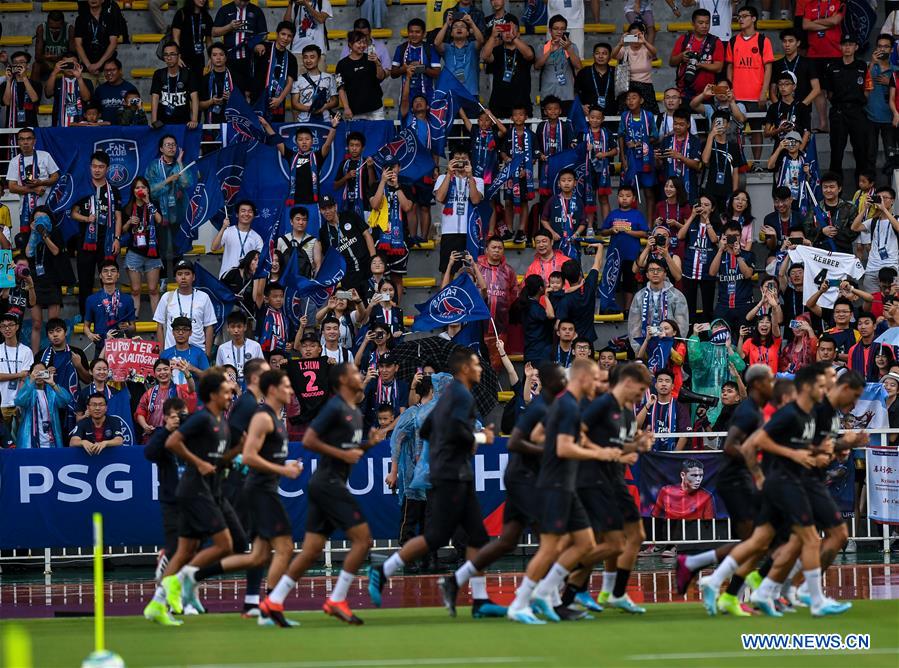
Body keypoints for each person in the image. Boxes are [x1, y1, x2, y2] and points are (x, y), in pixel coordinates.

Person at [368, 350, 497, 613]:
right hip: (450, 474)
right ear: (463, 370)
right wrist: (483, 439)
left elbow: (428, 431)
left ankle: (478, 599)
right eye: (475, 364)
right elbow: (461, 437)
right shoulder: (460, 397)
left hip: (451, 472)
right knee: (438, 536)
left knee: (476, 537)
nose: (480, 369)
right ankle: (384, 569)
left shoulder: (447, 399)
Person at [261, 363, 381, 626]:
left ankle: (274, 600)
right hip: (328, 484)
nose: (359, 376)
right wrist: (344, 454)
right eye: (353, 373)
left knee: (311, 550)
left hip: (326, 483)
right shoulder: (335, 407)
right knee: (363, 541)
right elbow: (309, 440)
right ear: (342, 381)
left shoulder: (354, 412)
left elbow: (349, 450)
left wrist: (368, 445)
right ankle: (337, 599)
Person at [673, 363, 773, 613]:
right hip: (735, 480)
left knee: (755, 541)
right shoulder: (747, 411)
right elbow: (729, 445)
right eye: (769, 380)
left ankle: (710, 576)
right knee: (755, 541)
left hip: (740, 479)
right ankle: (728, 590)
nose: (773, 384)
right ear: (759, 384)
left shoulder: (755, 409)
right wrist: (754, 463)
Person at [144, 371, 236, 626]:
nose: (231, 394)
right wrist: (197, 461)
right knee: (219, 546)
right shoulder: (195, 424)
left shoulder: (210, 425)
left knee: (188, 550)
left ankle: (161, 603)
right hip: (185, 495)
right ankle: (176, 586)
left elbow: (214, 457)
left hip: (198, 492)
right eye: (226, 390)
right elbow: (162, 447)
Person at [70, 151, 122, 318]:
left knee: (108, 279)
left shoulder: (113, 190)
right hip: (86, 241)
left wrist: (117, 238)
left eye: (101, 167)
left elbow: (118, 217)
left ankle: (108, 314)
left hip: (106, 242)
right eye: (94, 166)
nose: (97, 170)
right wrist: (87, 218)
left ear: (107, 168)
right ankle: (85, 316)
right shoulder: (82, 188)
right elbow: (73, 213)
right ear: (90, 167)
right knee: (85, 281)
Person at [144, 397, 187, 589]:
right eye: (173, 416)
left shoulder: (193, 434)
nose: (178, 419)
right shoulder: (162, 438)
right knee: (175, 544)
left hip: (194, 499)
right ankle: (168, 590)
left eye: (182, 415)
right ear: (166, 418)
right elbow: (150, 453)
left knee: (193, 546)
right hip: (171, 500)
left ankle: (185, 591)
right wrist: (167, 430)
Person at [725, 6, 774, 164]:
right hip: (738, 95)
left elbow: (768, 67)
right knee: (737, 130)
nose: (740, 19)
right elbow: (730, 66)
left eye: (744, 16)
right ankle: (740, 163)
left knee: (756, 130)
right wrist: (731, 86)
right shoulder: (733, 41)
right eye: (739, 16)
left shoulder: (763, 40)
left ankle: (757, 163)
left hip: (756, 95)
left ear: (753, 19)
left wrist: (763, 92)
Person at [824, 36, 870, 179]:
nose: (847, 47)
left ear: (856, 47)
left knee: (861, 150)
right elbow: (829, 93)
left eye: (851, 44)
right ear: (840, 47)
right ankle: (835, 188)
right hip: (839, 111)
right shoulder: (832, 66)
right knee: (836, 151)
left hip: (857, 111)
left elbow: (867, 89)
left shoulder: (862, 66)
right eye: (844, 44)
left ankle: (862, 189)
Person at [434, 149, 485, 273]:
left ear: (469, 161)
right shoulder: (442, 178)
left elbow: (475, 200)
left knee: (472, 271)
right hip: (449, 232)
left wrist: (470, 176)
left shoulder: (477, 180)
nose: (460, 161)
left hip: (469, 232)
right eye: (457, 158)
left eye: (464, 158)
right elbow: (440, 197)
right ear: (451, 161)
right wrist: (449, 174)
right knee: (447, 271)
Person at [599, 184, 648, 312]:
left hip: (631, 255)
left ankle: (627, 310)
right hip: (614, 254)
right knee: (611, 280)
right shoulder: (613, 214)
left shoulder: (637, 214)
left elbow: (644, 233)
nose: (624, 198)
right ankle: (608, 307)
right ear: (617, 198)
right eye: (621, 196)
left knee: (629, 282)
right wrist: (611, 230)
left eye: (628, 196)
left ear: (633, 198)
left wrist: (628, 231)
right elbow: (603, 232)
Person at [153, 260, 217, 358]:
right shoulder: (167, 297)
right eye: (179, 274)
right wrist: (162, 351)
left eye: (187, 274)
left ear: (194, 277)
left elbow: (209, 326)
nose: (183, 277)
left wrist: (207, 353)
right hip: (172, 353)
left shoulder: (204, 297)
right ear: (175, 277)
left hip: (198, 352)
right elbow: (160, 326)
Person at [120, 177, 163, 318]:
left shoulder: (153, 204)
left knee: (153, 289)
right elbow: (121, 230)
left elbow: (160, 220)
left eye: (143, 187)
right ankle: (134, 320)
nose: (140, 190)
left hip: (152, 252)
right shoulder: (128, 207)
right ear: (133, 191)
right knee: (135, 290)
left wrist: (148, 203)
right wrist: (129, 222)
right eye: (137, 187)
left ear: (148, 190)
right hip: (134, 252)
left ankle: (157, 322)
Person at [5, 128, 59, 237]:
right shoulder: (14, 161)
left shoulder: (45, 156)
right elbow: (12, 187)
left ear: (34, 141)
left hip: (46, 207)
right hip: (25, 210)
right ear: (18, 141)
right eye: (22, 139)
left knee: (47, 238)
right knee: (26, 239)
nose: (25, 142)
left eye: (29, 138)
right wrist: (34, 189)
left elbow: (55, 176)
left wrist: (40, 182)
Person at [628, 257, 689, 352]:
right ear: (647, 275)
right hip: (645, 345)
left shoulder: (677, 295)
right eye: (651, 270)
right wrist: (638, 349)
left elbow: (682, 325)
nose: (655, 273)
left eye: (659, 270)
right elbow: (634, 325)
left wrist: (674, 347)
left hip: (670, 347)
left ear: (665, 274)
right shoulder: (639, 296)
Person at [482, 16, 535, 118]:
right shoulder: (497, 50)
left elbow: (529, 55)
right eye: (505, 29)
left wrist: (514, 38)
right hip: (499, 105)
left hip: (521, 104)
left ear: (518, 33)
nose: (508, 32)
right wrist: (493, 36)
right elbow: (485, 56)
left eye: (511, 29)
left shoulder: (525, 48)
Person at [617, 87, 659, 216]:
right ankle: (631, 222)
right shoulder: (625, 116)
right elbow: (621, 136)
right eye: (628, 98)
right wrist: (623, 159)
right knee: (629, 192)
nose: (630, 101)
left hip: (646, 158)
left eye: (634, 98)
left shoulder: (648, 116)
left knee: (648, 192)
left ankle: (649, 225)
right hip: (631, 158)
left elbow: (655, 136)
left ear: (641, 100)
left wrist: (642, 142)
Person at [850, 187, 899, 294]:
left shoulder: (897, 219)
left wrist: (884, 209)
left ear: (892, 201)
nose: (881, 200)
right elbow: (854, 227)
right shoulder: (873, 221)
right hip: (872, 268)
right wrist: (864, 208)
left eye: (885, 198)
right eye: (878, 197)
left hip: (891, 268)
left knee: (892, 300)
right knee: (873, 301)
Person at [135, 358, 196, 442]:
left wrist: (186, 372)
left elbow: (191, 389)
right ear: (155, 374)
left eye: (165, 369)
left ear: (171, 372)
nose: (162, 372)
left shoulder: (179, 389)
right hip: (153, 437)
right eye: (159, 370)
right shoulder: (149, 393)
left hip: (174, 436)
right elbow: (140, 412)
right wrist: (145, 426)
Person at [83, 260, 136, 356]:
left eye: (113, 271)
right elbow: (86, 326)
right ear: (100, 275)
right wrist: (90, 334)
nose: (109, 274)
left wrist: (128, 327)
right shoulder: (91, 299)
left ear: (118, 275)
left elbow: (133, 327)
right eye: (105, 271)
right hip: (101, 346)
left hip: (122, 348)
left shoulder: (127, 299)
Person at [13, 361, 72, 448]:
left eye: (42, 372)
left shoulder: (51, 392)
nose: (40, 375)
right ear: (31, 374)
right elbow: (19, 401)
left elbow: (66, 400)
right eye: (37, 372)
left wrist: (53, 384)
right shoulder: (28, 390)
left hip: (50, 440)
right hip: (30, 441)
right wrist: (31, 381)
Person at [669, 9, 724, 100]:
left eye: (707, 23)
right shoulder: (684, 39)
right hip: (684, 92)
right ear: (693, 24)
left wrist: (701, 65)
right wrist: (681, 56)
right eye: (701, 23)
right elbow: (672, 62)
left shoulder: (715, 41)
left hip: (707, 93)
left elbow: (718, 68)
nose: (704, 26)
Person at [211, 0, 268, 85]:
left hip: (250, 59)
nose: (242, 3)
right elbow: (214, 32)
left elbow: (263, 34)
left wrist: (257, 44)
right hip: (230, 58)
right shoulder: (225, 9)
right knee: (232, 89)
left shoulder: (256, 10)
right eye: (240, 0)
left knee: (250, 91)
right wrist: (229, 27)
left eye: (245, 1)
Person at [802, 171, 858, 254]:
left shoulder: (850, 208)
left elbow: (855, 231)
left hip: (843, 253)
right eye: (825, 187)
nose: (828, 190)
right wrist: (822, 232)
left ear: (839, 189)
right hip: (820, 254)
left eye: (832, 187)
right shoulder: (815, 209)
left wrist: (836, 232)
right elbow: (807, 230)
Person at [700, 110, 745, 213]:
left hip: (727, 190)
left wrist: (734, 194)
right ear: (712, 124)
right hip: (710, 190)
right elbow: (705, 160)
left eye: (723, 122)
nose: (720, 125)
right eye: (716, 122)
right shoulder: (706, 144)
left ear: (728, 125)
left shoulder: (734, 147)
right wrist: (711, 136)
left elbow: (735, 172)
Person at [336, 30, 387, 120]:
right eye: (359, 42)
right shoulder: (341, 64)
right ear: (350, 44)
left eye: (364, 42)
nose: (362, 45)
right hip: (354, 110)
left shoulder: (372, 59)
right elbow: (340, 88)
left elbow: (381, 77)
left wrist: (378, 63)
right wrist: (346, 108)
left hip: (376, 108)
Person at [534, 15, 581, 113]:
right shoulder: (543, 47)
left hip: (567, 94)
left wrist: (568, 49)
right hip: (548, 94)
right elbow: (537, 66)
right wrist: (550, 51)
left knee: (567, 126)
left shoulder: (571, 46)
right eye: (556, 29)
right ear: (550, 31)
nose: (559, 32)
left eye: (562, 29)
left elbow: (578, 66)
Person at [254, 22, 298, 123]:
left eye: (289, 36)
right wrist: (256, 47)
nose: (285, 38)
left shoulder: (291, 58)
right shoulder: (265, 47)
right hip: (259, 99)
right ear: (277, 34)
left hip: (277, 102)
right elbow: (252, 47)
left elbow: (290, 82)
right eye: (283, 34)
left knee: (275, 132)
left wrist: (280, 99)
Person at [611, 23, 659, 116]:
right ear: (628, 36)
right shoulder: (625, 50)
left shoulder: (646, 49)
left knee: (648, 116)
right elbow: (613, 55)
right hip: (628, 87)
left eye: (637, 36)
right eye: (632, 36)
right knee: (626, 116)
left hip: (646, 87)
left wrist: (644, 41)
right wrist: (620, 43)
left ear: (642, 35)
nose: (635, 38)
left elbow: (654, 52)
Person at [770, 28, 821, 114]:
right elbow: (772, 91)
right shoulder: (776, 64)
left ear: (798, 43)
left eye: (791, 41)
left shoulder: (808, 63)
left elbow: (816, 89)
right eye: (784, 41)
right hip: (782, 112)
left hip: (803, 110)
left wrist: (802, 106)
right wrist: (778, 107)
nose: (787, 44)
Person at [391, 19, 441, 105]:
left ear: (424, 34)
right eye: (411, 32)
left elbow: (437, 73)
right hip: (407, 96)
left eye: (417, 32)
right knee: (406, 118)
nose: (414, 35)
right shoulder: (401, 48)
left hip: (428, 96)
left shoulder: (430, 49)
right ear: (407, 32)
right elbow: (393, 74)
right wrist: (404, 69)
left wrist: (422, 68)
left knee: (427, 118)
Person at [150, 42, 199, 128]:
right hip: (162, 123)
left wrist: (194, 119)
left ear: (179, 56)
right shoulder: (158, 74)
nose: (169, 57)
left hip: (183, 123)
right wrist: (154, 121)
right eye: (166, 55)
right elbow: (155, 97)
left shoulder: (188, 73)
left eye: (172, 54)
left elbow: (194, 97)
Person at [212, 201, 264, 279]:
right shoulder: (228, 231)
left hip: (246, 279)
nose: (246, 214)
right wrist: (223, 227)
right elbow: (214, 248)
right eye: (243, 211)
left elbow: (260, 260)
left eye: (250, 211)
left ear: (253, 216)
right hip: (226, 276)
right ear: (237, 214)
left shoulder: (257, 237)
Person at [435, 16, 483, 99]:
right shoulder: (447, 47)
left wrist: (471, 23)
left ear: (468, 33)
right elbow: (436, 43)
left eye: (462, 26)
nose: (459, 28)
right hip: (451, 92)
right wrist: (446, 24)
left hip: (470, 92)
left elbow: (481, 40)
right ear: (451, 33)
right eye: (455, 27)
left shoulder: (472, 46)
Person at [651, 459, 716, 519]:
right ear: (682, 475)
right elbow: (654, 517)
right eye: (694, 475)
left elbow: (710, 524)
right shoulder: (666, 491)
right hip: (670, 530)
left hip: (695, 531)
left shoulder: (707, 496)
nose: (698, 479)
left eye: (701, 476)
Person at [73, 0, 119, 80]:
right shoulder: (80, 19)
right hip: (87, 66)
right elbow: (77, 44)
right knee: (86, 92)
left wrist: (98, 64)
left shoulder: (111, 18)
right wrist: (88, 66)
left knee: (107, 92)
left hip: (107, 66)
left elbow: (113, 43)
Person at [291, 45, 337, 124]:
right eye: (305, 57)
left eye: (312, 57)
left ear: (319, 59)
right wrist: (311, 109)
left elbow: (335, 101)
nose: (308, 60)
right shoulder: (297, 79)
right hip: (304, 121)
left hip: (326, 121)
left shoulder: (329, 77)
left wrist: (324, 107)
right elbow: (294, 104)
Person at [44, 53, 93, 127]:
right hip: (59, 123)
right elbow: (48, 93)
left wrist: (79, 78)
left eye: (72, 64)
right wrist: (54, 72)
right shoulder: (56, 81)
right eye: (66, 64)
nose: (69, 67)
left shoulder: (86, 82)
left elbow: (86, 98)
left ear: (78, 65)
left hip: (81, 124)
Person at [215, 311, 264, 384]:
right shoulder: (222, 348)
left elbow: (262, 369)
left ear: (245, 327)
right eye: (232, 327)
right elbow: (218, 372)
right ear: (228, 328)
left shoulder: (255, 346)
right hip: (230, 388)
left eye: (239, 326)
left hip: (250, 386)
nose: (236, 330)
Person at [171, 0, 213, 84]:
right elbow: (175, 38)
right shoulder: (181, 13)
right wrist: (177, 56)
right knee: (183, 87)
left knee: (197, 87)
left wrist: (210, 57)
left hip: (199, 59)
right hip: (183, 58)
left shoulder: (206, 16)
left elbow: (209, 41)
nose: (202, 0)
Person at [574, 42, 617, 116]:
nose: (600, 56)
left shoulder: (616, 72)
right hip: (589, 116)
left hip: (612, 115)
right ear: (593, 55)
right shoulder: (584, 72)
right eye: (597, 53)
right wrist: (581, 106)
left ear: (610, 56)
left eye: (604, 53)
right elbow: (575, 93)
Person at [2, 52, 41, 131]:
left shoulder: (35, 84)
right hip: (11, 125)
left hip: (30, 125)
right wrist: (9, 81)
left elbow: (34, 99)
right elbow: (6, 102)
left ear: (28, 65)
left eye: (21, 62)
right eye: (15, 63)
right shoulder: (6, 84)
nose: (18, 65)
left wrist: (24, 78)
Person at [92, 58, 137, 124]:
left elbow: (136, 113)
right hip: (104, 130)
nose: (109, 73)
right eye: (106, 70)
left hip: (124, 130)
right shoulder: (99, 90)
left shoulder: (130, 88)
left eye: (113, 70)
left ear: (120, 70)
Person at [34, 10, 74, 82]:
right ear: (48, 24)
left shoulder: (69, 29)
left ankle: (71, 90)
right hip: (48, 62)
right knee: (36, 66)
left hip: (63, 62)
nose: (54, 30)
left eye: (57, 28)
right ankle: (33, 91)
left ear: (62, 24)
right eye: (52, 28)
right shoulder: (42, 28)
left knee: (72, 64)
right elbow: (37, 57)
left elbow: (73, 54)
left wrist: (58, 58)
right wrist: (46, 57)